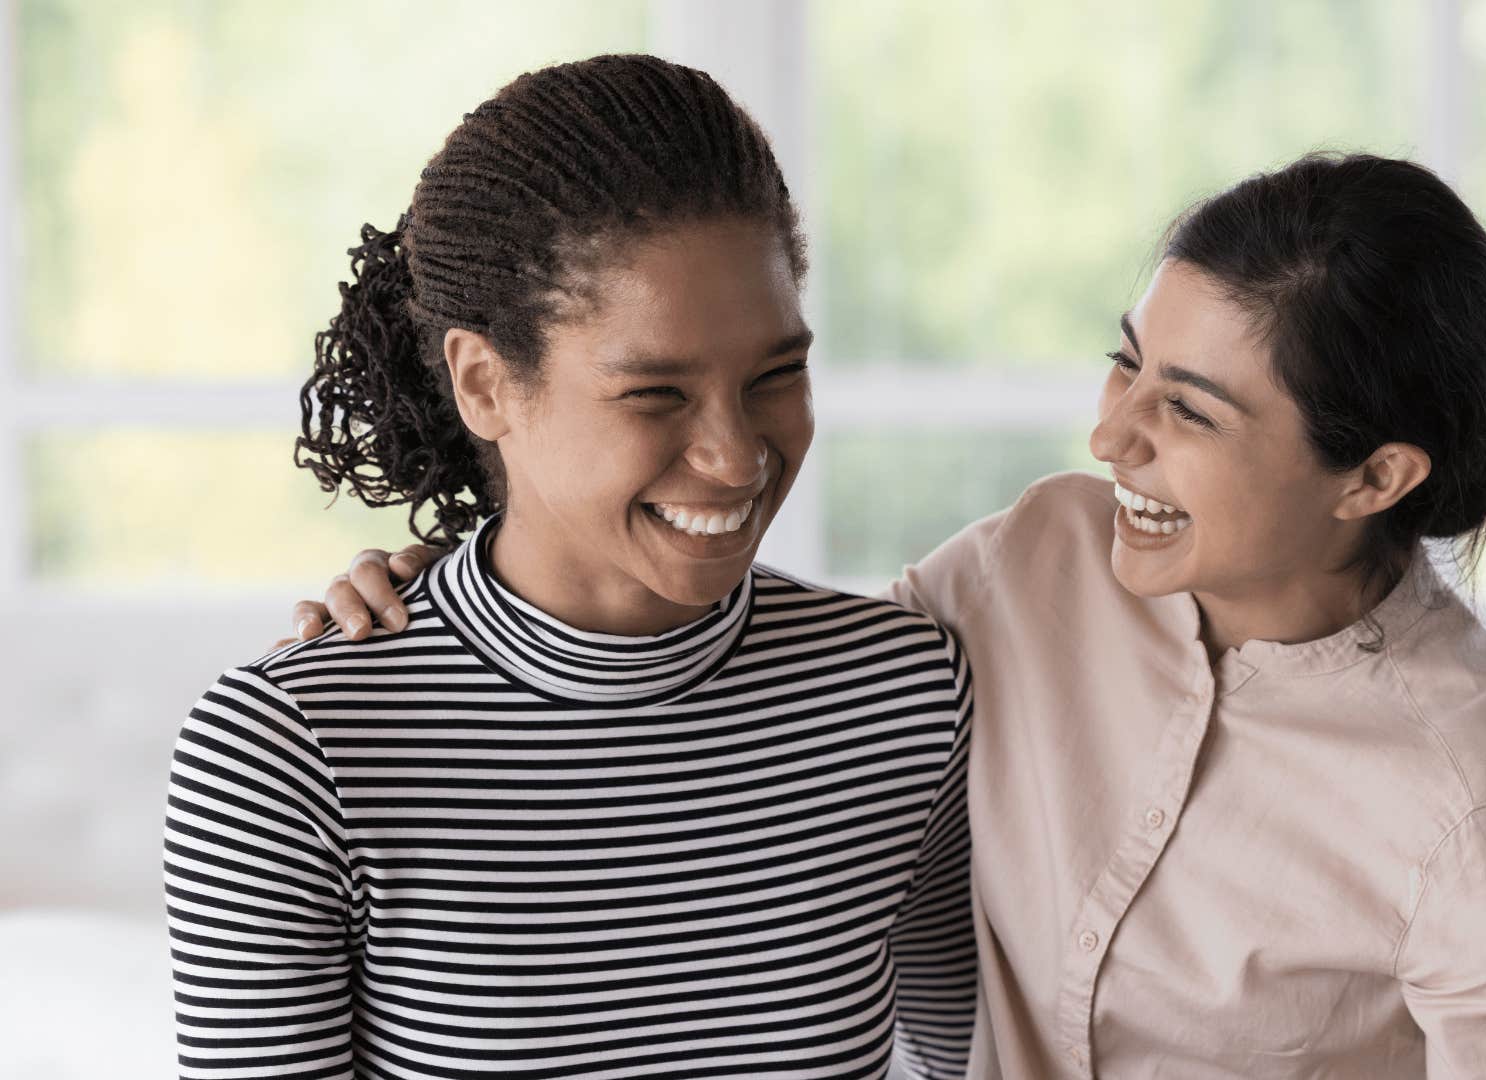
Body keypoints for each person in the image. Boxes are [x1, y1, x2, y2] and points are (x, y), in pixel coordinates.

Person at [293, 154, 1486, 1077]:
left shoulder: (1479, 827)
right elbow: (768, 659)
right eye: (1127, 365)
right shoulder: (1040, 561)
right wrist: (464, 586)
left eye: (1190, 413)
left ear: (1375, 476)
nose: (1112, 436)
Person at [164, 55, 975, 1080]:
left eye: (776, 374)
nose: (738, 454)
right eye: (656, 395)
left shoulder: (905, 694)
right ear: (485, 383)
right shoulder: (289, 752)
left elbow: (979, 1059)